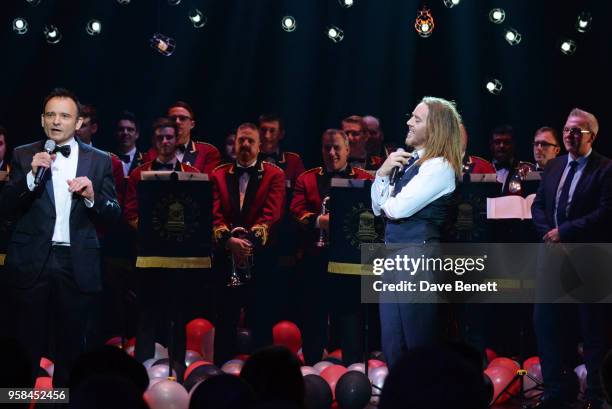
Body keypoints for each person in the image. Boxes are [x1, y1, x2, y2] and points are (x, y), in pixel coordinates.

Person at [0, 88, 120, 386]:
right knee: (25, 347)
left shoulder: (100, 160)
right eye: (51, 114)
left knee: (71, 349)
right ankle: (18, 402)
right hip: (31, 262)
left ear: (79, 123)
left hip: (76, 262)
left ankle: (63, 403)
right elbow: (5, 207)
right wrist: (30, 176)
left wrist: (93, 197)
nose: (57, 121)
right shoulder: (23, 154)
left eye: (65, 115)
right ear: (42, 120)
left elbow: (114, 213)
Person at [371, 96, 462, 368]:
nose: (409, 122)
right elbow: (378, 208)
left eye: (417, 119)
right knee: (392, 341)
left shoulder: (440, 166)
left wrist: (386, 196)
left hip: (417, 257)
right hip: (394, 255)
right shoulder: (409, 161)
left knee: (418, 341)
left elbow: (396, 209)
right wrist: (382, 173)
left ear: (434, 129)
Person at [531, 108, 612, 409]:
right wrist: (550, 235)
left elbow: (605, 213)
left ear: (592, 135)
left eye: (577, 130)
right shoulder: (553, 167)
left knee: (592, 330)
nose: (569, 135)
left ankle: (596, 394)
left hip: (588, 260)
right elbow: (538, 206)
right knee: (546, 325)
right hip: (552, 258)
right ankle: (555, 391)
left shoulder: (605, 169)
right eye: (566, 129)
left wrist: (564, 232)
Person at [290, 129, 373, 365]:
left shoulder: (364, 179)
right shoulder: (306, 178)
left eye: (337, 147)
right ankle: (312, 365)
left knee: (351, 318)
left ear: (348, 149)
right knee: (314, 315)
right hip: (316, 260)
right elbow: (295, 211)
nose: (332, 152)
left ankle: (353, 367)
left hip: (352, 262)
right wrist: (321, 221)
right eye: (327, 147)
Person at [124, 118, 200, 366]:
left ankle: (177, 368)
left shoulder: (193, 175)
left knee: (178, 316)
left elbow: (198, 215)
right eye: (160, 138)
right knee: (146, 314)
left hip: (181, 259)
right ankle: (142, 370)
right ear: (154, 140)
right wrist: (154, 233)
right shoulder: (139, 174)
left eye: (169, 137)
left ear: (177, 139)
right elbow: (130, 214)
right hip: (149, 255)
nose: (165, 142)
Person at [211, 122, 285, 365]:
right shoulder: (218, 174)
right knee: (225, 321)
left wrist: (246, 244)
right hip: (225, 259)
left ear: (259, 145)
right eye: (240, 140)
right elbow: (214, 214)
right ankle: (222, 373)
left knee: (261, 321)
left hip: (261, 261)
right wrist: (228, 242)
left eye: (250, 141)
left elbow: (271, 215)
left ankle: (263, 377)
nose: (244, 145)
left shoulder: (275, 174)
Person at [145, 101, 221, 175]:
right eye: (173, 118)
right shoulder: (153, 152)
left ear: (192, 124)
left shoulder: (207, 152)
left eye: (182, 118)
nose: (177, 122)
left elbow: (208, 184)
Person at [258, 113, 305, 188]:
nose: (267, 136)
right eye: (263, 130)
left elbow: (302, 191)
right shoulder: (249, 159)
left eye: (272, 131)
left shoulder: (293, 161)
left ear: (281, 134)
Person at [489, 125, 535, 194]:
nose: (502, 146)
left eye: (506, 142)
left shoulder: (526, 169)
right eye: (497, 142)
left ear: (513, 144)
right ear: (491, 145)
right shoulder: (483, 169)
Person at [115, 110, 145, 177]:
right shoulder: (107, 159)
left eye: (130, 129)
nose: (125, 133)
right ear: (116, 133)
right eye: (121, 129)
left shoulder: (146, 160)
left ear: (137, 134)